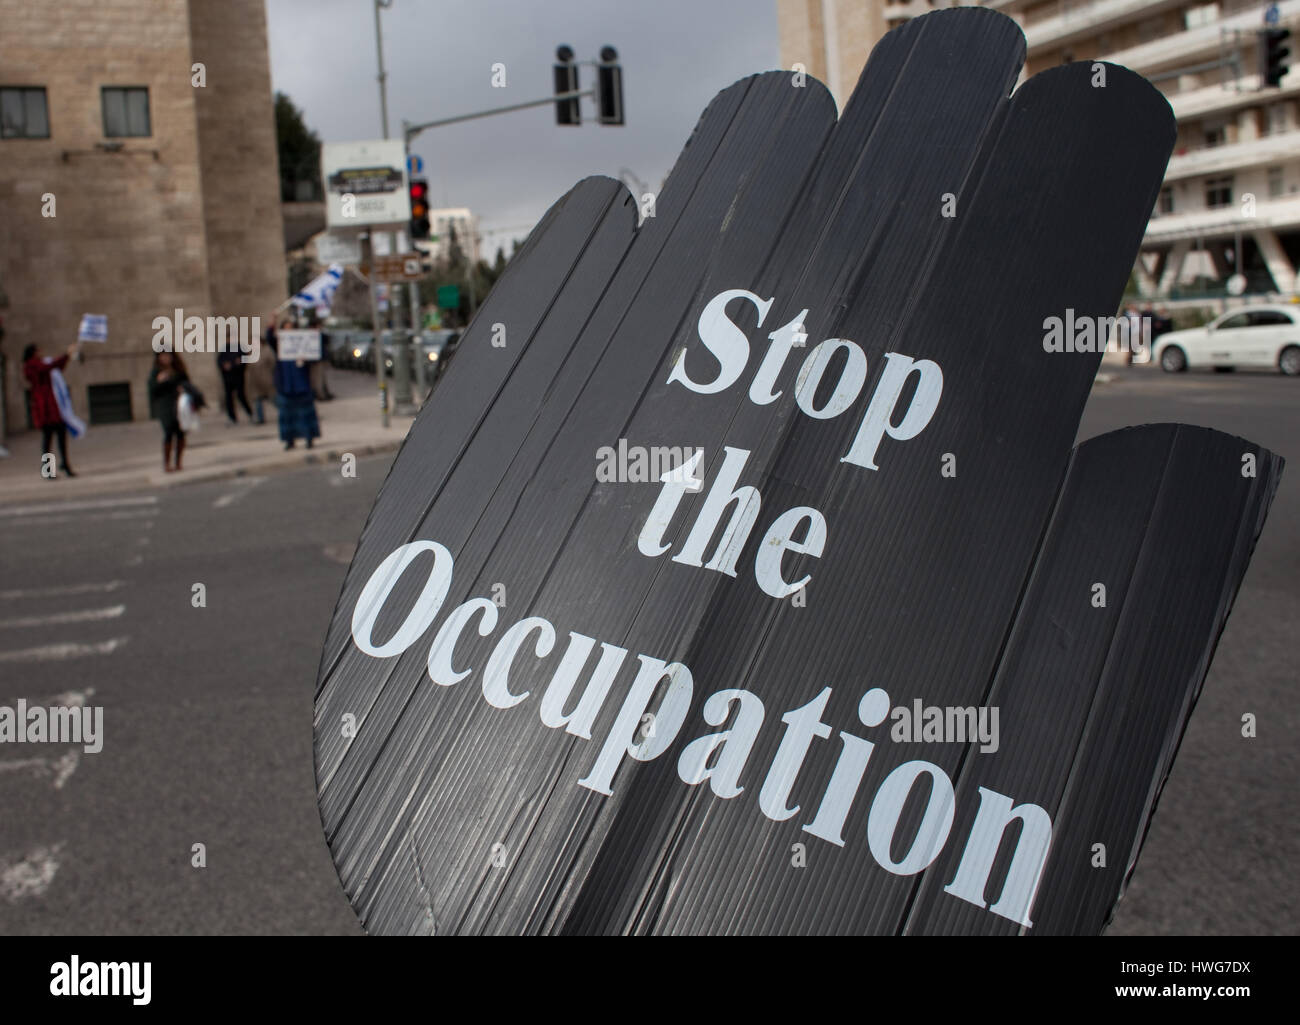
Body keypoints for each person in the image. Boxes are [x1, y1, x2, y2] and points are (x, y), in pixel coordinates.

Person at [22, 342, 79, 478]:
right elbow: (47, 367)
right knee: (48, 440)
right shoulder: (31, 366)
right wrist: (65, 354)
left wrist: (67, 356)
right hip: (44, 409)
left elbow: (56, 366)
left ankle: (65, 463)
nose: (40, 353)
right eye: (38, 351)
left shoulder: (40, 363)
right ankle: (48, 470)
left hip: (53, 407)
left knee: (60, 436)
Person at [273, 318, 319, 450]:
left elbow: (315, 355)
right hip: (286, 386)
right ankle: (289, 440)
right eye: (286, 328)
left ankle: (309, 438)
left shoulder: (302, 343)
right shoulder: (280, 345)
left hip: (302, 385)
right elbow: (270, 338)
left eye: (291, 328)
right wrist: (273, 322)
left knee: (305, 414)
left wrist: (306, 360)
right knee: (287, 416)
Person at [148, 350, 190, 472]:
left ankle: (178, 462)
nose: (165, 358)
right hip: (165, 405)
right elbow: (152, 389)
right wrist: (159, 381)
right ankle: (167, 464)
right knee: (168, 431)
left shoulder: (178, 370)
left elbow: (187, 383)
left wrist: (183, 388)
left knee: (180, 433)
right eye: (162, 356)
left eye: (167, 355)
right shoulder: (156, 372)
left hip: (180, 404)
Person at [216, 345, 253, 424]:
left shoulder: (240, 349)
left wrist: (238, 363)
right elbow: (219, 361)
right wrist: (224, 365)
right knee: (229, 398)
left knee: (241, 396)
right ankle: (232, 417)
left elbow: (245, 360)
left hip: (238, 377)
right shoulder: (224, 350)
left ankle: (250, 413)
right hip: (228, 379)